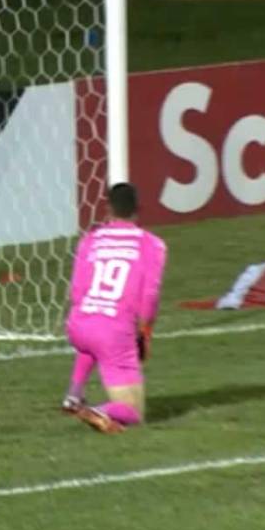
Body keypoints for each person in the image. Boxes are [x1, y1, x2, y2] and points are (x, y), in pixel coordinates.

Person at [61, 182, 167, 434]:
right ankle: (100, 411)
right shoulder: (152, 245)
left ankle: (73, 394)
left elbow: (75, 291)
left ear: (108, 208)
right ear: (138, 209)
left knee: (93, 335)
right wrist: (145, 331)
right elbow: (149, 296)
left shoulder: (90, 240)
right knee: (133, 411)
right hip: (113, 335)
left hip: (78, 325)